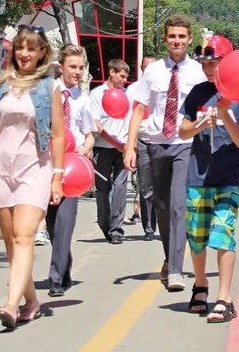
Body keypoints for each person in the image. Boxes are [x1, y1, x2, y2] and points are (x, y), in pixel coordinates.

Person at [0, 25, 65, 330]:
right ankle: (32, 301)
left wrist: (56, 176)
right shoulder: (0, 84)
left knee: (25, 236)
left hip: (34, 167)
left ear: (42, 54)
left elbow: (57, 134)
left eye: (32, 48)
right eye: (20, 48)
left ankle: (11, 304)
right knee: (11, 240)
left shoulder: (49, 87)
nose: (25, 54)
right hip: (0, 166)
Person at [124, 14, 206, 292]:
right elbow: (138, 110)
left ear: (190, 39)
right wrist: (129, 146)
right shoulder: (154, 71)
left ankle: (176, 270)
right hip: (153, 143)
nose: (177, 41)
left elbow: (206, 111)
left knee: (178, 205)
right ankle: (170, 257)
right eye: (172, 36)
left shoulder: (197, 72)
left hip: (184, 144)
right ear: (165, 39)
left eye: (182, 36)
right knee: (159, 204)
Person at [179, 43, 239, 323]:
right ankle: (200, 284)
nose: (208, 67)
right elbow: (183, 130)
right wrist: (202, 125)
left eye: (213, 62)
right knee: (197, 236)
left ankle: (225, 297)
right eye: (204, 63)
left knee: (223, 231)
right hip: (199, 175)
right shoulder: (198, 93)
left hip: (230, 176)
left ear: (228, 62)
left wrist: (224, 114)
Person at [47, 45, 96, 297]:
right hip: (47, 163)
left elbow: (89, 136)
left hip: (71, 168)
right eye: (72, 67)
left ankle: (55, 277)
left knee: (65, 222)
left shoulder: (83, 100)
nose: (77, 72)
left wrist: (83, 151)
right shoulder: (48, 91)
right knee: (51, 223)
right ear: (61, 67)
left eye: (81, 68)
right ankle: (64, 266)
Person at [89, 59, 131, 244]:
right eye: (122, 75)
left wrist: (130, 145)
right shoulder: (96, 95)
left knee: (121, 187)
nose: (124, 80)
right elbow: (97, 126)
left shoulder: (127, 95)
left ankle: (116, 229)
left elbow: (132, 122)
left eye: (126, 77)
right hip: (102, 147)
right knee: (103, 189)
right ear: (112, 72)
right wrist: (114, 142)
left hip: (122, 148)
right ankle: (104, 224)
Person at [125, 54, 158, 239]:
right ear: (141, 68)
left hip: (163, 141)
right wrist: (130, 145)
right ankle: (149, 227)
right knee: (145, 188)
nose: (150, 70)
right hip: (143, 140)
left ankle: (165, 225)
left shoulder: (166, 85)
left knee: (164, 187)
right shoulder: (134, 90)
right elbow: (128, 117)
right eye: (146, 67)